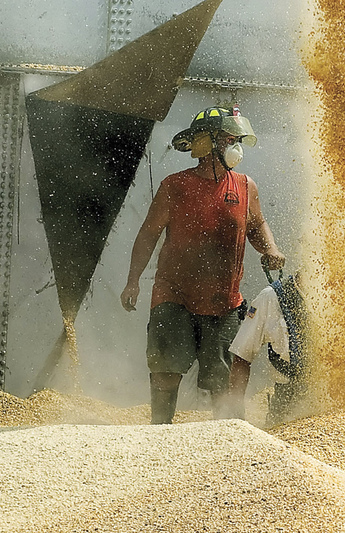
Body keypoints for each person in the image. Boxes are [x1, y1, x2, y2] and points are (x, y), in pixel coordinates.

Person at [120, 105, 286, 424]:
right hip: (174, 297)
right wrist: (133, 280)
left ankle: (228, 442)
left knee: (223, 384)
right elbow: (147, 235)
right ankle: (160, 434)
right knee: (165, 372)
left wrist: (271, 249)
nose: (236, 147)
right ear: (207, 144)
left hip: (224, 304)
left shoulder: (245, 186)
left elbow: (257, 225)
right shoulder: (174, 186)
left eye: (236, 139)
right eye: (228, 139)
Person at [227, 271, 308, 427]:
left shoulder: (344, 295)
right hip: (286, 402)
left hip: (330, 402)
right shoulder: (271, 297)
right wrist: (235, 418)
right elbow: (242, 357)